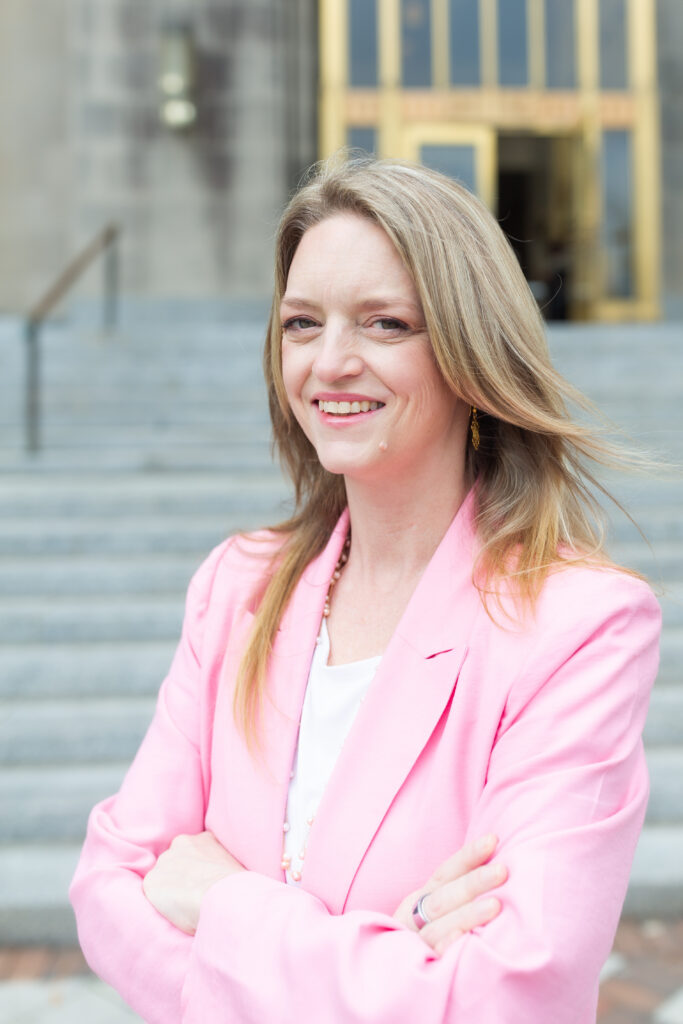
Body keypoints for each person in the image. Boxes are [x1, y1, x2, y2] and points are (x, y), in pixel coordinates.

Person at [70, 156, 661, 1023]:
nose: (330, 362)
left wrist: (225, 907)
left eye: (385, 324)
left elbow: (507, 998)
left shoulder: (578, 625)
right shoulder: (236, 586)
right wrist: (401, 947)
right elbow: (106, 891)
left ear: (470, 351)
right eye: (301, 323)